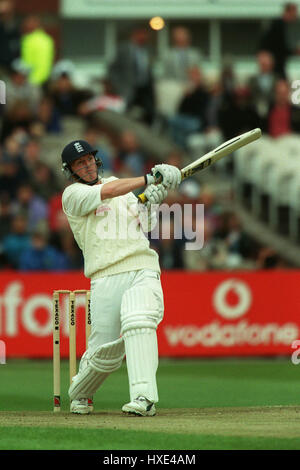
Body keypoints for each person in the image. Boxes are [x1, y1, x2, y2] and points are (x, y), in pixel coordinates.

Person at [61, 139, 181, 416]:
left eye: (90, 159)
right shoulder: (73, 195)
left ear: (96, 160)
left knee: (139, 321)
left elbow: (146, 223)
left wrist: (152, 199)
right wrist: (149, 178)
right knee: (104, 353)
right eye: (80, 163)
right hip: (104, 275)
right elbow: (108, 191)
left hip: (142, 265)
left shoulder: (121, 187)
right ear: (71, 170)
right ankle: (81, 392)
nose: (88, 165)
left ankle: (144, 397)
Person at [258, 2, 300, 78]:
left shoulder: (287, 26)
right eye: (294, 12)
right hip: (274, 62)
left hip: (279, 62)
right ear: (288, 12)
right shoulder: (277, 25)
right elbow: (279, 47)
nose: (295, 15)